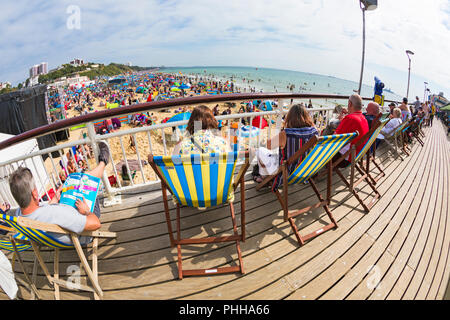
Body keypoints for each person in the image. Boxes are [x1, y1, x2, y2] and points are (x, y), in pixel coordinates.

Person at [7, 142, 111, 245]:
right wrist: (86, 211)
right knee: (87, 180)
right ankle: (103, 162)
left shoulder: (19, 215)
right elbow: (96, 224)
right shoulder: (56, 213)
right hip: (82, 235)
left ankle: (102, 163)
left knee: (81, 179)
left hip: (57, 230)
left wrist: (55, 199)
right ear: (34, 194)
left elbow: (42, 215)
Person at [253, 104, 318, 185]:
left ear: (290, 117)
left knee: (260, 151)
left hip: (286, 173)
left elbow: (268, 146)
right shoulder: (314, 131)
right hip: (305, 171)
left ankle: (264, 178)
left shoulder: (286, 134)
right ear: (306, 116)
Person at [333, 94, 369, 167]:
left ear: (349, 104)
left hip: (343, 159)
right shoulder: (363, 118)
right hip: (357, 156)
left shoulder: (350, 118)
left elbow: (334, 138)